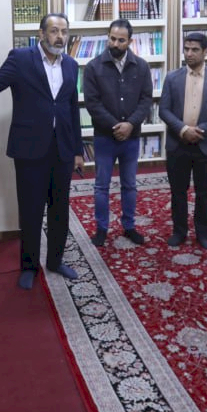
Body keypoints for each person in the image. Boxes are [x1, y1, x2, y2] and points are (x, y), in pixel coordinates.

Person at [0, 14, 84, 290]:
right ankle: (29, 267)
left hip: (61, 150)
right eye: (54, 31)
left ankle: (56, 261)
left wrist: (77, 150)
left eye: (64, 31)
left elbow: (72, 109)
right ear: (41, 34)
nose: (60, 37)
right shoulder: (21, 59)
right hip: (30, 151)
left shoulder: (71, 65)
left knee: (59, 210)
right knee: (31, 211)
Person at [82, 19, 153, 247]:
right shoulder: (93, 67)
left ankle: (129, 226)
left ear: (130, 41)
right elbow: (92, 103)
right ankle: (101, 229)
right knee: (101, 186)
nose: (115, 43)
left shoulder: (141, 66)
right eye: (112, 38)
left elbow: (146, 100)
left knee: (129, 184)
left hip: (131, 137)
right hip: (104, 137)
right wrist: (116, 126)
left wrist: (130, 124)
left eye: (121, 40)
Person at [158, 32, 207, 251]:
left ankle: (202, 233)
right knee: (178, 192)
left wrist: (203, 129)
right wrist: (183, 129)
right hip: (178, 144)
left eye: (194, 50)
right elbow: (163, 110)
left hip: (206, 145)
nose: (189, 54)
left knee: (204, 193)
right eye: (186, 49)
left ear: (205, 52)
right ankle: (179, 232)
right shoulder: (172, 77)